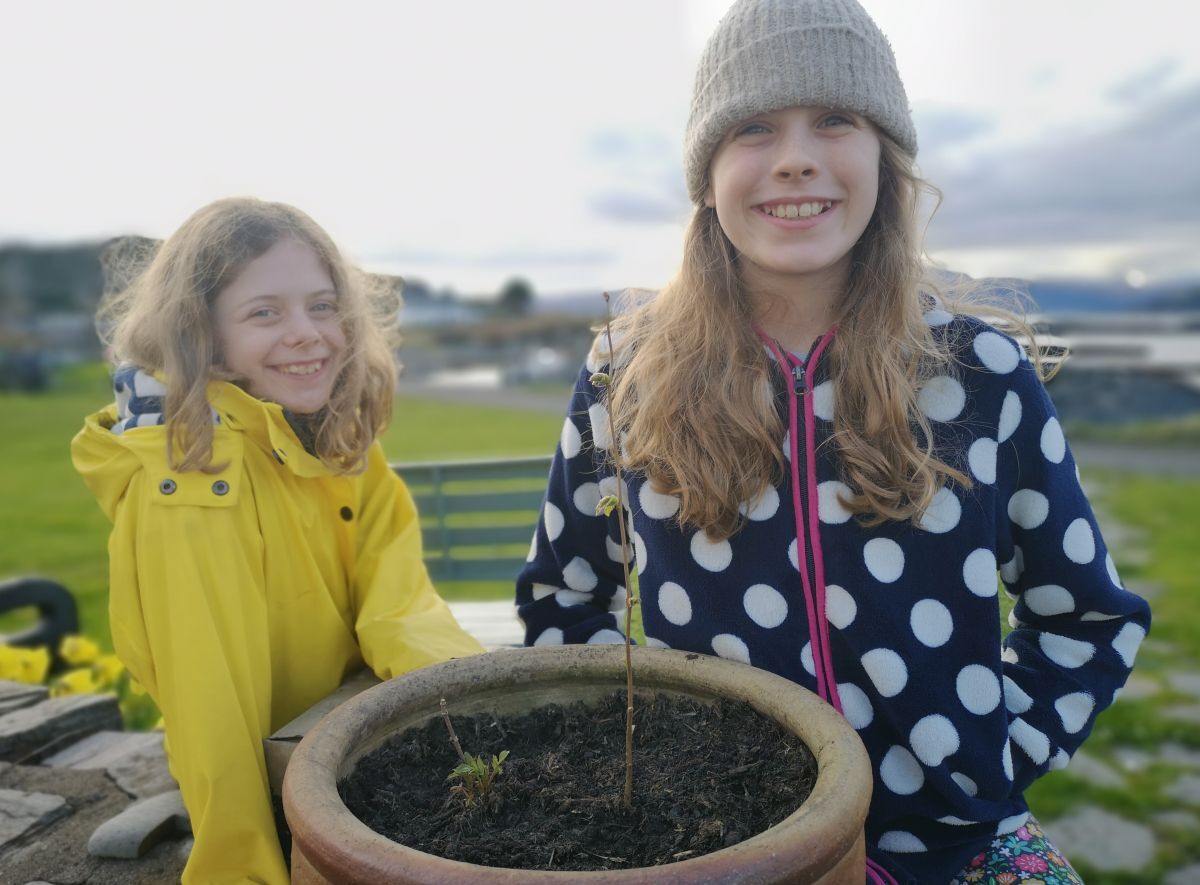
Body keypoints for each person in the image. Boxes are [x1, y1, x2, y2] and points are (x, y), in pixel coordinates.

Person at [516, 1, 1151, 882]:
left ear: (885, 159)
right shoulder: (627, 374)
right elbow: (564, 602)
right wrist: (647, 780)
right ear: (705, 175)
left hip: (954, 846)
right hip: (718, 854)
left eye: (835, 120)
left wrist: (987, 759)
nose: (795, 156)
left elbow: (1088, 615)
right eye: (753, 128)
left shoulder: (983, 374)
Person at [73, 197, 485, 883]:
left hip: (345, 732)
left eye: (322, 306)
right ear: (202, 334)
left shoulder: (342, 445)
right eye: (265, 312)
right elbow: (211, 707)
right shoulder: (194, 480)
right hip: (265, 777)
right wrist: (243, 865)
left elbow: (399, 606)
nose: (308, 334)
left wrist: (471, 701)